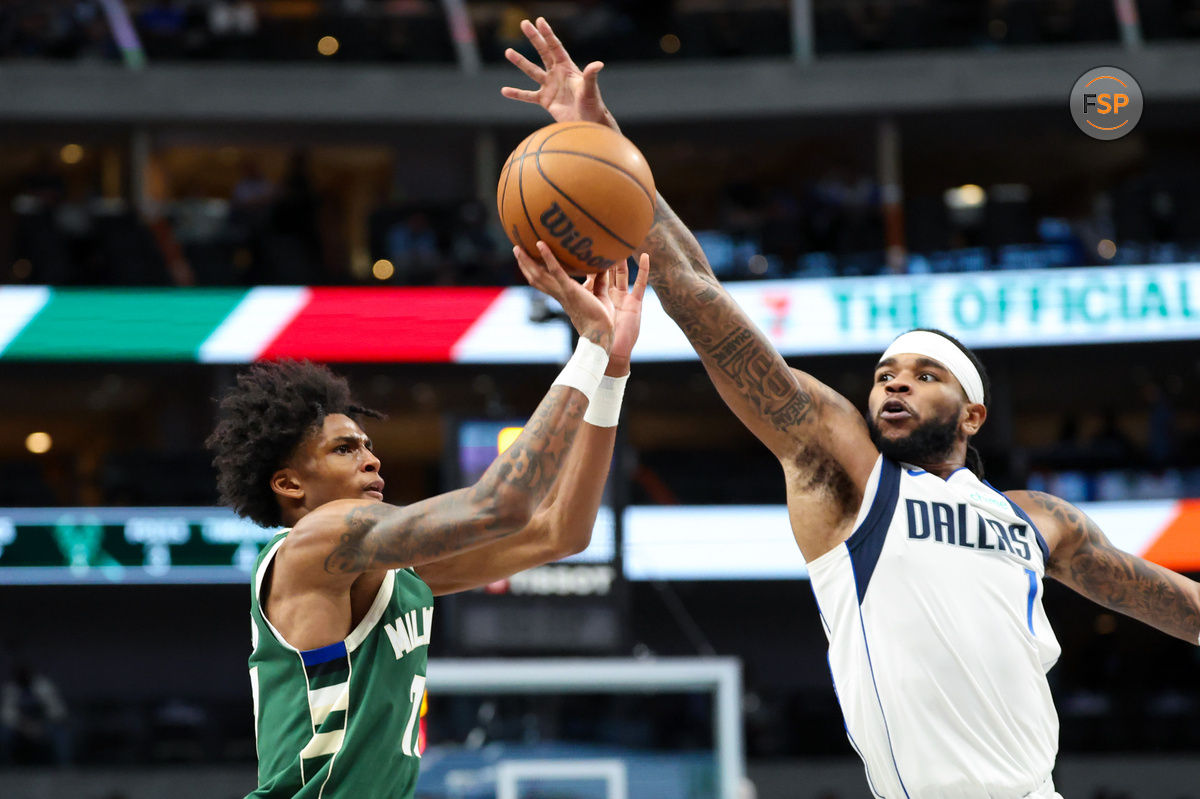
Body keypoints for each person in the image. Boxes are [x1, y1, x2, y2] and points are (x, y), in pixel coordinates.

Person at [502, 18, 1200, 798]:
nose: (893, 384)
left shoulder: (1042, 521)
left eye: (924, 374)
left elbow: (1179, 605)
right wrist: (607, 150)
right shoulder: (847, 472)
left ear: (971, 414)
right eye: (884, 372)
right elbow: (702, 300)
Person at [207, 246, 650, 798]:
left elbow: (561, 531)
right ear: (289, 484)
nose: (371, 459)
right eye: (345, 450)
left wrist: (612, 372)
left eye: (368, 446)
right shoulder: (314, 543)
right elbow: (501, 505)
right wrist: (589, 346)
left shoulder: (387, 573)